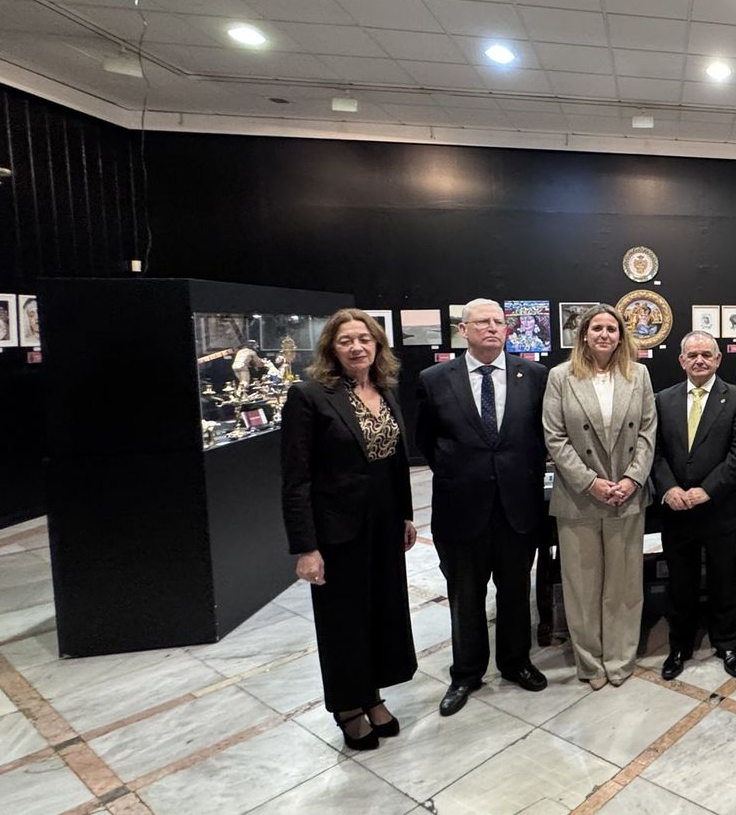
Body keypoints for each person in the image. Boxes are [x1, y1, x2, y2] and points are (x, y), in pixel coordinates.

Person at [280, 308, 417, 750]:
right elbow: (295, 477)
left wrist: (406, 515)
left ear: (377, 345)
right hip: (337, 532)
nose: (357, 347)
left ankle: (373, 693)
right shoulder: (310, 396)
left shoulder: (385, 390)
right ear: (331, 349)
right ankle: (348, 706)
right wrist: (305, 547)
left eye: (364, 338)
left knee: (381, 613)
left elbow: (397, 464)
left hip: (383, 525)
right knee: (344, 621)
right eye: (346, 341)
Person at [415, 299, 549, 717]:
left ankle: (515, 663)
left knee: (514, 590)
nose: (492, 328)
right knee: (465, 595)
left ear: (508, 330)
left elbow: (542, 436)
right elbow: (425, 441)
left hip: (517, 506)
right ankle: (466, 673)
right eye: (483, 322)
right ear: (463, 330)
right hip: (461, 508)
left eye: (499, 322)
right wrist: (464, 473)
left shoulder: (535, 376)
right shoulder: (434, 379)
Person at [543, 304, 657, 689]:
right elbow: (554, 437)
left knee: (625, 585)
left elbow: (647, 431)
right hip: (579, 497)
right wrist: (590, 481)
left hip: (627, 494)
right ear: (584, 335)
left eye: (612, 328)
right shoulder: (561, 377)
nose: (605, 334)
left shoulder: (638, 374)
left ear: (621, 336)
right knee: (582, 585)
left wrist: (632, 478)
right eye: (597, 328)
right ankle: (590, 663)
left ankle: (620, 658)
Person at [652, 331, 736, 680]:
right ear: (681, 360)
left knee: (724, 578)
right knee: (679, 581)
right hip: (676, 509)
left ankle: (726, 642)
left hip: (719, 509)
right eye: (692, 354)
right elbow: (655, 453)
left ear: (718, 360)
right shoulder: (661, 400)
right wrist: (668, 489)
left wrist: (706, 491)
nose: (699, 360)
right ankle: (679, 645)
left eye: (706, 354)